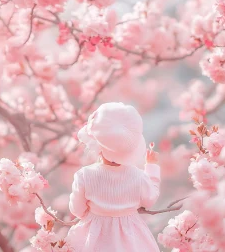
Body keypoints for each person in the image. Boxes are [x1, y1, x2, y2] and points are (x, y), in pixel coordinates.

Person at [65, 102, 161, 252]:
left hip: (93, 239)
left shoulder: (85, 175)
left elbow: (77, 210)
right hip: (132, 239)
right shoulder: (138, 176)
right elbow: (150, 200)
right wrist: (152, 168)